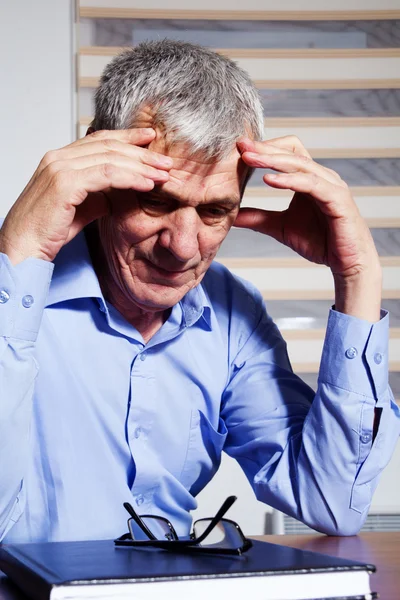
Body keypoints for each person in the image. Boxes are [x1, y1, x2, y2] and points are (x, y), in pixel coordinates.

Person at [0, 40, 398, 544]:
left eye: (214, 212)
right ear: (98, 166)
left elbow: (332, 501)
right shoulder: (11, 279)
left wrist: (358, 274)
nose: (183, 248)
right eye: (156, 201)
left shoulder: (232, 314)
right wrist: (20, 253)